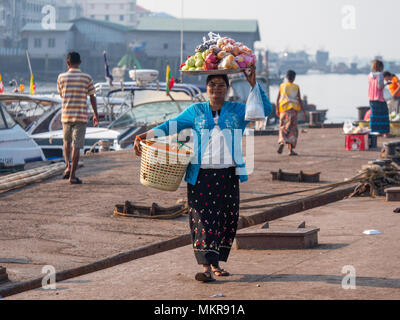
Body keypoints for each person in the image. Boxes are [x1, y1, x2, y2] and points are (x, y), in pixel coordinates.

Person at [134, 65, 272, 283]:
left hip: (228, 175)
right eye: (212, 85)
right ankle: (206, 268)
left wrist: (253, 83)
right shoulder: (196, 111)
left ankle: (216, 264)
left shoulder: (238, 110)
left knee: (226, 219)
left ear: (227, 89)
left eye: (221, 85)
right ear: (206, 88)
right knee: (203, 220)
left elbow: (265, 109)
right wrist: (145, 135)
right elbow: (172, 125)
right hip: (201, 176)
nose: (216, 88)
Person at [57, 51, 99, 184]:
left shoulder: (61, 77)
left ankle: (67, 166)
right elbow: (92, 97)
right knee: (77, 146)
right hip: (80, 116)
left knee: (66, 143)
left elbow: (61, 95)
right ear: (80, 63)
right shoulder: (87, 78)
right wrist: (96, 115)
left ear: (67, 63)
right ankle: (72, 176)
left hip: (66, 116)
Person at [276, 70, 306, 156]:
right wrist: (303, 111)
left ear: (286, 77)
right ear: (294, 78)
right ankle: (290, 150)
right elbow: (299, 99)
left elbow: (278, 98)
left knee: (282, 127)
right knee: (292, 130)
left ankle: (282, 141)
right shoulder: (296, 87)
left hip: (283, 110)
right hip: (293, 111)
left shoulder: (282, 86)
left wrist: (277, 109)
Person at [368, 60, 390, 137]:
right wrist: (386, 84)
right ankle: (385, 132)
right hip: (379, 98)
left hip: (371, 98)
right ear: (380, 67)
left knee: (374, 115)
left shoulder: (370, 75)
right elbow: (379, 86)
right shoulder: (380, 75)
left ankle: (374, 131)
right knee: (384, 115)